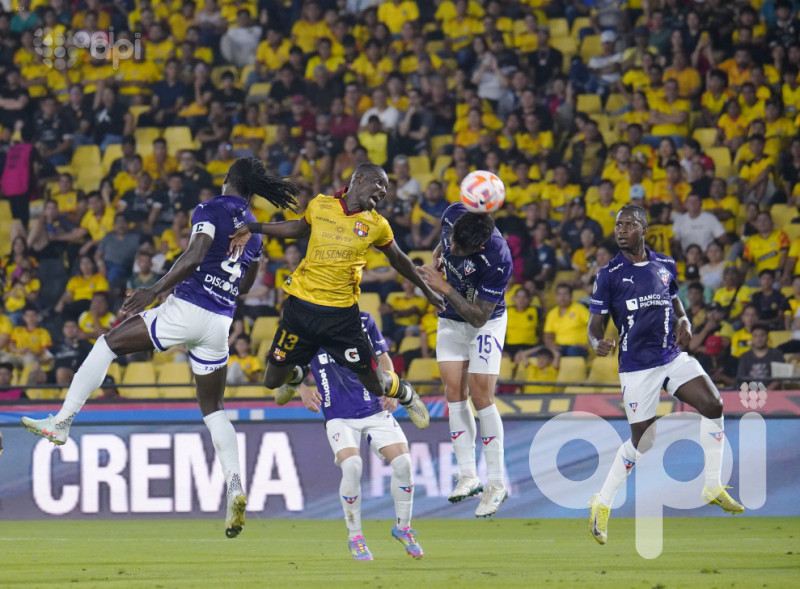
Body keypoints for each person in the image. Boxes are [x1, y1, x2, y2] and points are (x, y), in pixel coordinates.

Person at [21, 157, 300, 539]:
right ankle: (234, 486)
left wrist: (154, 289)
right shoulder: (254, 230)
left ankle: (62, 422)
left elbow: (196, 253)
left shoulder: (210, 208)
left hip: (187, 308)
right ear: (252, 190)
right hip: (220, 323)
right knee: (214, 407)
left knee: (106, 344)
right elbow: (248, 285)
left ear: (226, 181)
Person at [228, 162, 443, 430]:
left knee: (376, 384)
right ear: (359, 179)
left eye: (387, 188)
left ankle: (407, 393)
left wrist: (427, 290)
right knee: (272, 380)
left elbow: (399, 260)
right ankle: (296, 375)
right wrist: (255, 227)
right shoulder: (321, 205)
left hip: (342, 318)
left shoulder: (377, 225)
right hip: (300, 311)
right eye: (380, 184)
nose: (384, 191)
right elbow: (297, 228)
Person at [587, 205, 744, 546]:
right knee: (643, 441)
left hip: (671, 356)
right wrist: (598, 341)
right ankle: (602, 500)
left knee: (714, 405)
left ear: (644, 229)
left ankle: (713, 485)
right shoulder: (609, 274)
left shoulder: (665, 265)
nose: (621, 229)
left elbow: (676, 301)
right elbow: (594, 325)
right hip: (637, 367)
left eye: (629, 224)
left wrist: (685, 321)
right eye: (618, 224)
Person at [297, 311, 422, 561]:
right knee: (352, 466)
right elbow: (285, 369)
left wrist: (391, 385)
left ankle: (403, 527)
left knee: (404, 463)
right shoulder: (306, 326)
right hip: (339, 415)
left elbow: (384, 359)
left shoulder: (364, 320)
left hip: (375, 409)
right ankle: (356, 536)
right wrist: (301, 389)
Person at [416, 203, 513, 517]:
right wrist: (437, 253)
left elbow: (478, 317)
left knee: (482, 396)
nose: (452, 246)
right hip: (450, 321)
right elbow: (445, 241)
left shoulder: (498, 258)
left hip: (485, 322)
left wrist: (442, 286)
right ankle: (469, 476)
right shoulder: (454, 213)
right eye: (452, 239)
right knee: (453, 393)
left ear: (480, 246)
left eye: (460, 247)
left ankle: (496, 483)